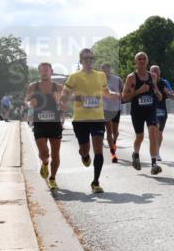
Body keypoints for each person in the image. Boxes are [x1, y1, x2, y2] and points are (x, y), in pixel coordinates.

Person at [61, 48, 119, 193]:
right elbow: (64, 97)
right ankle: (85, 155)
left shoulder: (101, 76)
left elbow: (106, 93)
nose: (89, 61)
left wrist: (115, 95)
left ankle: (95, 182)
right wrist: (77, 98)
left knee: (98, 149)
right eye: (85, 58)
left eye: (91, 58)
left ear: (94, 60)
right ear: (81, 61)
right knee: (85, 149)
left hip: (98, 118)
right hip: (80, 120)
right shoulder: (74, 77)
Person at [121, 52, 163, 175]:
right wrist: (138, 91)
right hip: (137, 111)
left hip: (150, 110)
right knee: (139, 137)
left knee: (153, 133)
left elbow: (155, 89)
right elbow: (124, 97)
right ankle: (136, 154)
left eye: (144, 58)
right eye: (139, 59)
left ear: (147, 61)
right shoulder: (131, 77)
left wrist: (158, 94)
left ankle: (154, 163)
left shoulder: (153, 76)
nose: (142, 61)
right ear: (136, 61)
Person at [25, 62, 64, 190]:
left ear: (51, 71)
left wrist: (59, 101)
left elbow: (65, 106)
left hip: (55, 124)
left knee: (55, 153)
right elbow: (26, 101)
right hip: (39, 123)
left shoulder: (58, 87)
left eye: (46, 70)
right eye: (41, 70)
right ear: (39, 72)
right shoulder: (33, 86)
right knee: (44, 152)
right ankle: (45, 163)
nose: (44, 72)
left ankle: (52, 178)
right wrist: (31, 103)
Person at [151, 64, 174, 156]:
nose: (155, 73)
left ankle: (157, 152)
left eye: (157, 71)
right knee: (154, 131)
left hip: (162, 110)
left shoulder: (164, 82)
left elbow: (173, 97)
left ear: (160, 72)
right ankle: (154, 152)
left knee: (160, 132)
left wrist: (167, 92)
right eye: (153, 71)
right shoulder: (147, 81)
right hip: (151, 110)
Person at [101, 62, 123, 163]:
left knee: (115, 132)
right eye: (103, 70)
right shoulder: (100, 81)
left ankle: (114, 143)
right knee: (109, 132)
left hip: (116, 108)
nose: (105, 72)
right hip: (105, 109)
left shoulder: (117, 79)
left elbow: (123, 91)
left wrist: (120, 95)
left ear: (110, 70)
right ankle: (113, 153)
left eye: (107, 69)